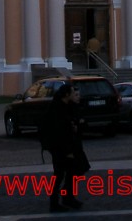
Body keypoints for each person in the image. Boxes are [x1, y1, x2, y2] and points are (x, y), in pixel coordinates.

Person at [39, 83, 88, 212]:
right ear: (67, 94)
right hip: (60, 148)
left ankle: (67, 198)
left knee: (71, 173)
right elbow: (59, 132)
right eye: (73, 93)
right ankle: (55, 202)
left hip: (67, 146)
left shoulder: (67, 106)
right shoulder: (57, 109)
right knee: (60, 175)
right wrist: (67, 151)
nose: (75, 95)